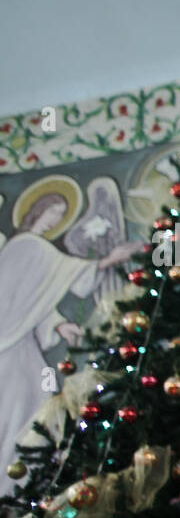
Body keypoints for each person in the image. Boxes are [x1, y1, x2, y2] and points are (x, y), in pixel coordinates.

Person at [0, 191, 138, 497]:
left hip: (20, 344)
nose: (55, 220)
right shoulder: (26, 246)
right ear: (36, 212)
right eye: (52, 212)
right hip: (9, 350)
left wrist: (58, 325)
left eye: (60, 215)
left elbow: (30, 301)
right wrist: (110, 260)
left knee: (41, 398)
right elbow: (63, 274)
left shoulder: (23, 248)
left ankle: (28, 480)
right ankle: (11, 482)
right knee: (21, 407)